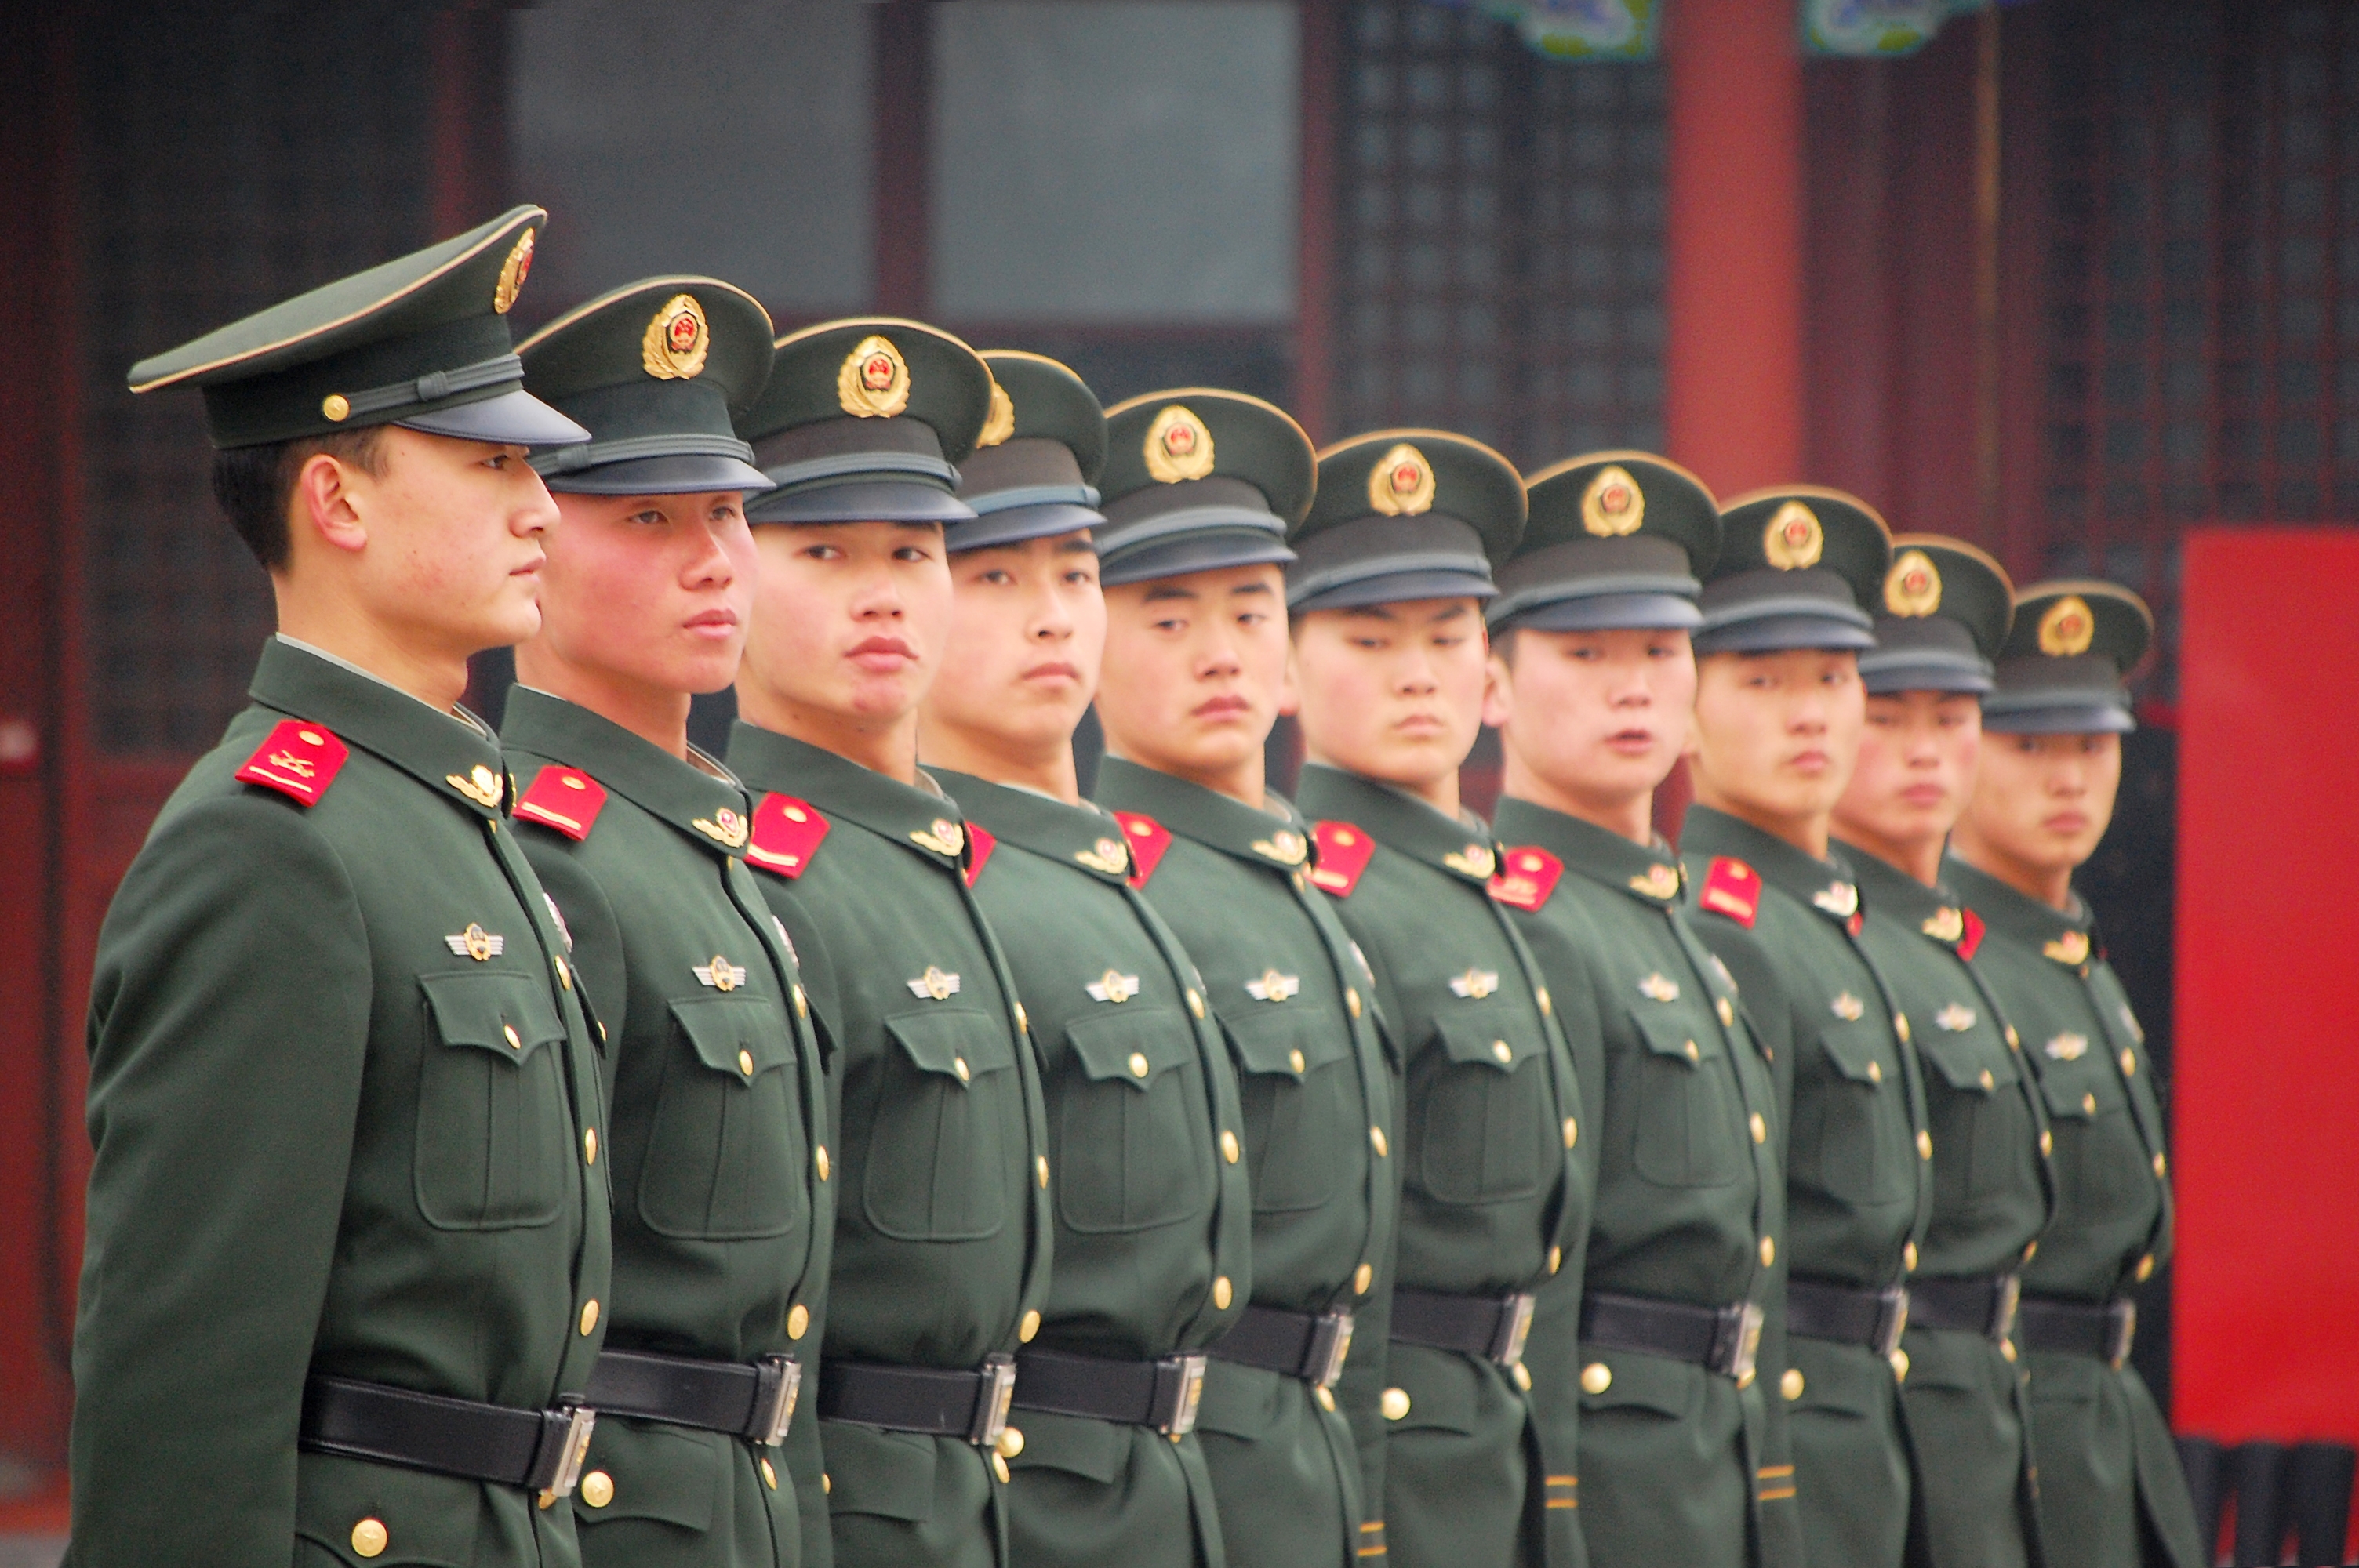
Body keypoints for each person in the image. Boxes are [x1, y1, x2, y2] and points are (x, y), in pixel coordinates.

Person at [72, 206, 612, 1567]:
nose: (542, 509)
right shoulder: (269, 847)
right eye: (493, 464)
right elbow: (183, 1376)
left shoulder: (452, 815)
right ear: (337, 498)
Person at [502, 278, 834, 1567]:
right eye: (646, 517)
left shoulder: (719, 841)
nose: (712, 559)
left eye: (728, 515)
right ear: (532, 536)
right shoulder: (547, 850)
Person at [723, 318, 1051, 1568]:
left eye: (913, 551)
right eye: (823, 551)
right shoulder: (759, 870)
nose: (881, 593)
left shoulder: (944, 861)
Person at [917, 350, 1252, 1568]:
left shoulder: (1118, 871)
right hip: (1030, 1502)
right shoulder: (939, 890)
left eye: (1075, 570)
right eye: (993, 575)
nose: (1053, 612)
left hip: (1177, 1493)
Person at [1088, 388, 1399, 1568]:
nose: (1221, 653)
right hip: (1190, 1463)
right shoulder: (1121, 890)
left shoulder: (1310, 883)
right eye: (1168, 620)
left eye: (1250, 611)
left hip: (1314, 1455)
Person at [1482, 453, 1797, 1568]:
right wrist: (1556, 1518)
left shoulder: (1684, 925)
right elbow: (1548, 1286)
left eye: (1661, 652)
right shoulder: (1525, 923)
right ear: (1497, 682)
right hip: (1614, 1488)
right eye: (1585, 654)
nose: (1632, 687)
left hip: (1713, 1467)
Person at [1286, 430, 1590, 1568]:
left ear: (1490, 669)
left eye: (1447, 636)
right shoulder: (1322, 896)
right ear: (1290, 661)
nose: (1418, 672)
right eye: (1370, 639)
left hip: (1496, 1450)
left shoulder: (1497, 895)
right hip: (1394, 1468)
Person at [1676, 488, 1931, 1568]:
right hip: (1790, 1433)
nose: (1810, 713)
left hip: (1878, 1424)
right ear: (1688, 700)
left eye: (1832, 678)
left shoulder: (1841, 918)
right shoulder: (1722, 924)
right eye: (1763, 681)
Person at [1945, 582, 2204, 1568]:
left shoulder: (2076, 956)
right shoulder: (1953, 966)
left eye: (2091, 747)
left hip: (2108, 1420)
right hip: (2004, 1430)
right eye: (2030, 748)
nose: (2069, 780)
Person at [1830, 537, 2054, 1568]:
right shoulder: (1826, 942)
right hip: (1884, 1407)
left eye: (1953, 720)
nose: (1925, 752)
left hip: (1992, 1408)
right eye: (1885, 718)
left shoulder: (1959, 943)